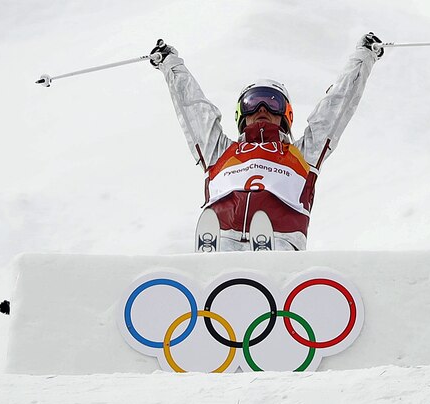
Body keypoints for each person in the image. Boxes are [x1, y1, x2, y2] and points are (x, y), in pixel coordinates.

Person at [151, 33, 383, 251]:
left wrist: (363, 58)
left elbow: (335, 109)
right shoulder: (219, 152)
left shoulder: (302, 155)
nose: (262, 109)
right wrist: (171, 64)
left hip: (279, 238)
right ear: (241, 113)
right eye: (252, 103)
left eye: (273, 103)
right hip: (222, 236)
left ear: (286, 114)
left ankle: (275, 253)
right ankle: (215, 250)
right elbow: (194, 110)